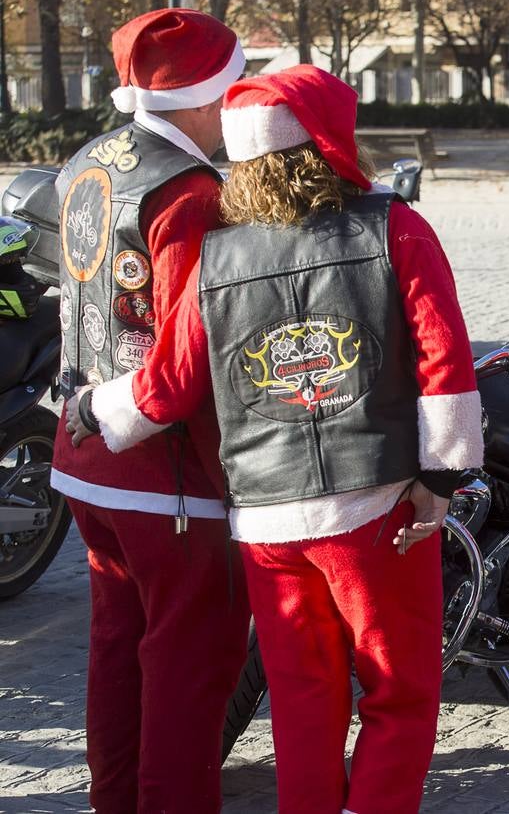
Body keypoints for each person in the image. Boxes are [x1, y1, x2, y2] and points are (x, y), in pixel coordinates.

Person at [69, 65, 484, 813]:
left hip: (264, 516)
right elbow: (445, 358)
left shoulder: (215, 256)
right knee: (401, 689)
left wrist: (96, 411)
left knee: (300, 698)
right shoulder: (395, 226)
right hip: (375, 499)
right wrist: (443, 474)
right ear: (329, 142)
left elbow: (168, 384)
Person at [49, 7, 248, 812]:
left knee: (117, 651)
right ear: (205, 95)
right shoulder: (189, 190)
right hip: (163, 470)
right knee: (189, 669)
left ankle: (116, 800)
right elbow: (185, 357)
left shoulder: (88, 159)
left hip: (85, 453)